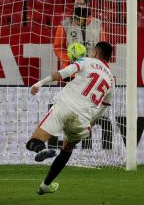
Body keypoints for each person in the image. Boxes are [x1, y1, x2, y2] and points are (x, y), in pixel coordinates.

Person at [26, 41, 114, 195]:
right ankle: (45, 185)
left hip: (65, 106)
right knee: (67, 149)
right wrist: (89, 123)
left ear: (95, 53)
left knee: (33, 142)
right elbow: (101, 110)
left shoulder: (86, 60)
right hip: (83, 118)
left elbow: (63, 73)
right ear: (109, 58)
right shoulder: (112, 81)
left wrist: (39, 83)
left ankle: (41, 149)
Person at [53, 0, 107, 69]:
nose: (79, 7)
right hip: (72, 70)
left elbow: (103, 46)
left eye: (82, 4)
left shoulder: (97, 24)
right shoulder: (64, 25)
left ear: (87, 4)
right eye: (76, 4)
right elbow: (58, 47)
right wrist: (69, 59)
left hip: (93, 69)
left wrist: (97, 61)